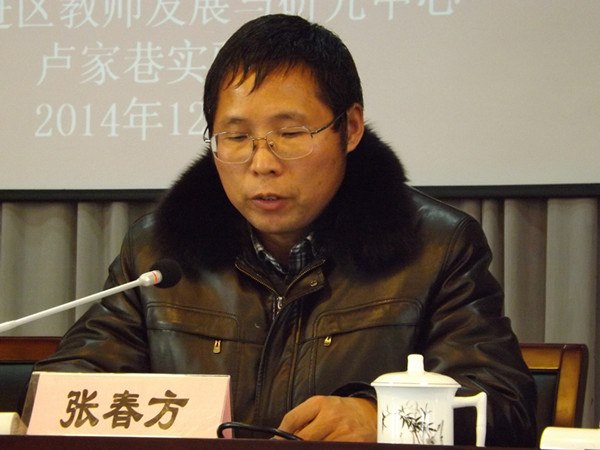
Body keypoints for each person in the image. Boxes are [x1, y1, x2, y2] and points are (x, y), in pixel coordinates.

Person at [35, 14, 536, 445]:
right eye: (236, 137)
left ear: (350, 128)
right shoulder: (159, 252)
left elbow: (503, 404)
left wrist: (380, 417)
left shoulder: (436, 247)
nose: (262, 163)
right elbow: (68, 389)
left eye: (291, 133)